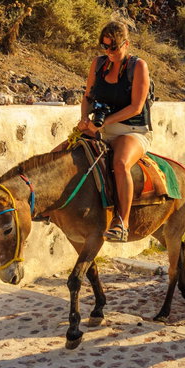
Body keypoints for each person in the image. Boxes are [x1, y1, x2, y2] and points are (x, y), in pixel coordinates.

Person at [76, 21, 152, 242]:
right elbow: (88, 96)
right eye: (104, 46)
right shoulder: (98, 64)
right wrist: (83, 118)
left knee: (120, 163)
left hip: (133, 129)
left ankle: (123, 222)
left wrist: (104, 122)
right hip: (101, 127)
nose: (108, 52)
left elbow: (136, 106)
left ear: (126, 44)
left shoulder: (138, 67)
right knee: (66, 151)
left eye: (113, 47)